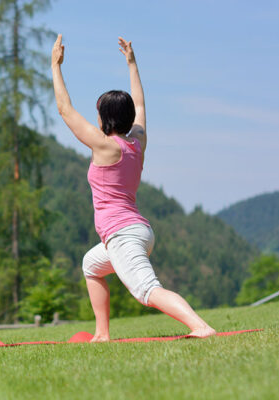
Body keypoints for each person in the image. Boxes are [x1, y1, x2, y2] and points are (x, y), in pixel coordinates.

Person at [51, 34, 216, 341]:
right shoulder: (136, 142)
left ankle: (201, 327)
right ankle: (102, 334)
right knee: (91, 264)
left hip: (123, 235)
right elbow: (139, 103)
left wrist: (55, 66)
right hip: (137, 230)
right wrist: (131, 62)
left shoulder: (105, 147)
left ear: (105, 118)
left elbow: (65, 109)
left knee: (147, 290)